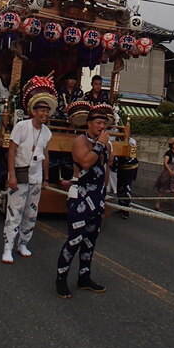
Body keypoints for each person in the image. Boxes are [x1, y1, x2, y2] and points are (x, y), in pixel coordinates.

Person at [56, 108, 111, 298]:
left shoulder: (107, 144)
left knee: (90, 240)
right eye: (98, 123)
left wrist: (104, 196)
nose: (102, 127)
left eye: (104, 123)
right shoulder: (80, 141)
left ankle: (84, 277)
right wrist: (99, 145)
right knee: (75, 239)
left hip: (97, 196)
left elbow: (105, 169)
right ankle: (61, 278)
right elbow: (86, 162)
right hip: (80, 195)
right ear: (89, 123)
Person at [2, 100, 52, 264]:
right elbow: (11, 151)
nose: (44, 114)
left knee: (31, 213)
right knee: (15, 211)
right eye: (42, 110)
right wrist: (12, 175)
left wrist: (46, 178)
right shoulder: (21, 126)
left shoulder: (47, 132)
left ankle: (23, 243)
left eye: (47, 111)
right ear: (34, 112)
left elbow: (46, 155)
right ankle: (8, 248)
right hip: (20, 173)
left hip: (36, 176)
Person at [153, 137, 174, 216]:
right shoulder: (168, 153)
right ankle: (157, 204)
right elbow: (165, 163)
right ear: (171, 145)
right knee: (162, 190)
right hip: (167, 175)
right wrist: (170, 171)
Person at [114, 136, 138, 219]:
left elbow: (133, 155)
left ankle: (126, 209)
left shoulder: (131, 141)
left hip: (130, 168)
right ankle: (121, 206)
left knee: (126, 188)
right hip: (121, 167)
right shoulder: (117, 139)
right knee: (119, 187)